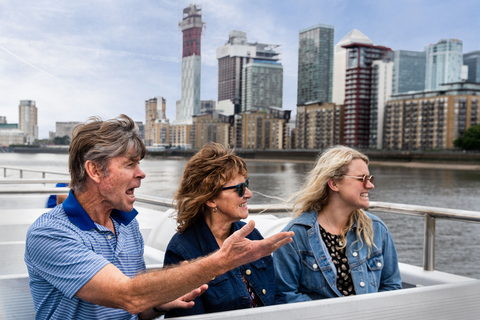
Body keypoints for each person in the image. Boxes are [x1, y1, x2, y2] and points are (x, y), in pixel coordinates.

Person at [24, 115, 294, 320]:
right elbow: (128, 295)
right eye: (130, 164)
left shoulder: (128, 227)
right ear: (95, 170)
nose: (141, 174)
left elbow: (137, 308)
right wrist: (223, 260)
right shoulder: (50, 234)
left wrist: (159, 305)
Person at [163, 143, 286, 317]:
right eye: (240, 188)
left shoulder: (252, 235)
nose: (249, 193)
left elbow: (277, 296)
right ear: (211, 199)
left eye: (247, 184)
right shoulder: (182, 250)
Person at [273, 145, 402, 303]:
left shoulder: (377, 229)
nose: (370, 185)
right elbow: (286, 295)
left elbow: (391, 286)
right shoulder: (295, 236)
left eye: (370, 179)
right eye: (362, 179)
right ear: (334, 184)